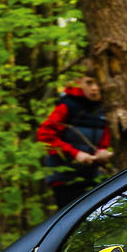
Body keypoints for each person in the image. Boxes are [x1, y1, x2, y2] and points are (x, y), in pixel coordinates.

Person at [35, 72, 113, 211]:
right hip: (65, 179)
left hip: (92, 176)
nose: (95, 88)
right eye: (89, 83)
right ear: (79, 82)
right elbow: (44, 135)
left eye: (97, 83)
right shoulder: (67, 105)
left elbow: (104, 136)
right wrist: (75, 153)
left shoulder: (103, 108)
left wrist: (102, 151)